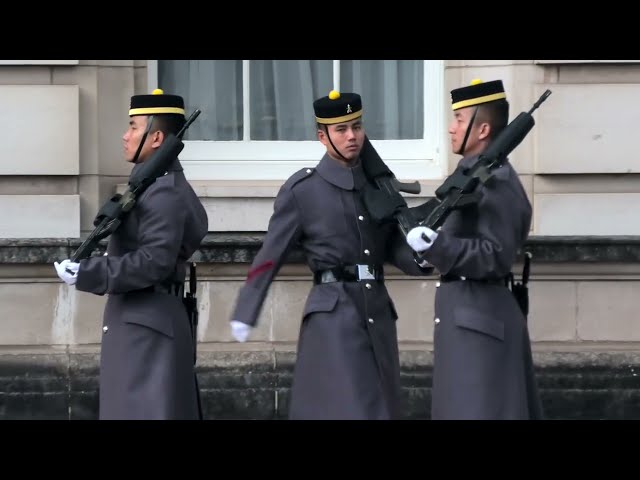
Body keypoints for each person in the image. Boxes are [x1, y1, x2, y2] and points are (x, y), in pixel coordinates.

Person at [229, 90, 430, 420]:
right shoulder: (304, 190)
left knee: (381, 406)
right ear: (322, 136)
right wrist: (246, 308)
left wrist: (422, 256)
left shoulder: (378, 185)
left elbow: (392, 245)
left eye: (357, 126)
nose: (352, 136)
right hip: (333, 315)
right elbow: (270, 253)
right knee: (345, 406)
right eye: (341, 129)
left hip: (377, 312)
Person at [53, 89, 209, 420]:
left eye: (134, 127)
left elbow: (154, 263)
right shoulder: (151, 186)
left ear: (156, 137)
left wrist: (90, 273)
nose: (126, 136)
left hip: (147, 331)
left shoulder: (164, 194)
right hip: (143, 326)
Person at [405, 79, 543, 420]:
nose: (452, 129)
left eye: (460, 120)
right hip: (467, 322)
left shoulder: (496, 181)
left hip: (481, 326)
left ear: (482, 130)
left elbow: (494, 255)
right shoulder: (470, 175)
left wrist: (437, 246)